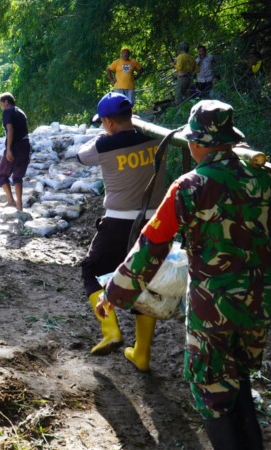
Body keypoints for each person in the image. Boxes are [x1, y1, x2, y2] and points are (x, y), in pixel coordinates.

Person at [97, 100, 271, 448]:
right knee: (239, 378)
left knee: (213, 393)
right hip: (258, 304)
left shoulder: (189, 187)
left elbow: (150, 247)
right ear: (232, 140)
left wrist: (112, 294)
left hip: (213, 309)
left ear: (195, 143)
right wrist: (250, 159)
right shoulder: (262, 177)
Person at [77, 92, 168, 364]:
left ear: (108, 121)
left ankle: (111, 332)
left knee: (91, 270)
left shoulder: (104, 145)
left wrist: (103, 136)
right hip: (155, 222)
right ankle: (141, 353)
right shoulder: (156, 137)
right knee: (146, 281)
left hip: (118, 222)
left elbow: (81, 156)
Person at [0, 92, 30, 210]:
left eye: (1, 104)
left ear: (6, 102)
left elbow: (10, 130)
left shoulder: (7, 111)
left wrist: (9, 149)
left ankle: (11, 201)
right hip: (25, 145)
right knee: (17, 176)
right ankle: (19, 205)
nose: (1, 107)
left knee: (1, 174)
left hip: (15, 146)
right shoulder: (21, 112)